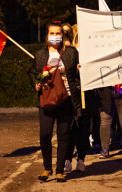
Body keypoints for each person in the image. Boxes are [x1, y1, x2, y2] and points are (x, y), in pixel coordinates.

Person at [29, 22, 80, 182]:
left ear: (62, 36)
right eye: (52, 33)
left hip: (66, 99)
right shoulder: (40, 54)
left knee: (64, 135)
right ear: (47, 36)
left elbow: (78, 73)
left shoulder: (71, 53)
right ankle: (47, 168)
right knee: (45, 134)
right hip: (47, 99)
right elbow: (33, 72)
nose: (55, 36)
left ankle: (59, 170)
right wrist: (36, 83)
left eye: (58, 33)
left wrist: (80, 69)